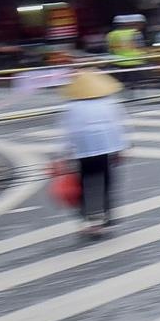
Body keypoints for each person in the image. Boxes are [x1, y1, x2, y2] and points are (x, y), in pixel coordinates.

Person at [61, 69, 129, 238]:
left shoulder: (73, 106)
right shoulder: (110, 103)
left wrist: (63, 154)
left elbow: (68, 132)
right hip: (106, 149)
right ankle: (107, 215)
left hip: (84, 151)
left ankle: (87, 219)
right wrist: (122, 148)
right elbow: (120, 126)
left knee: (84, 185)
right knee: (107, 183)